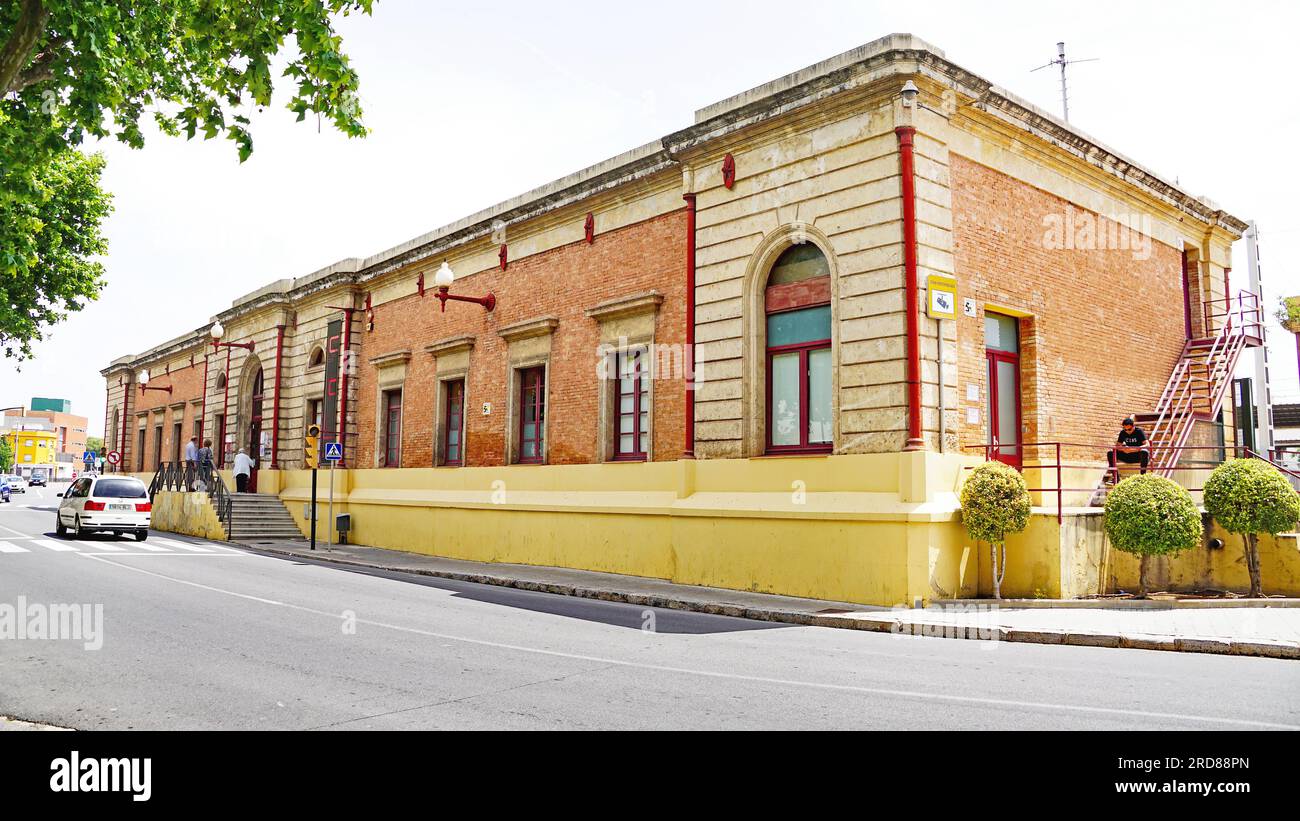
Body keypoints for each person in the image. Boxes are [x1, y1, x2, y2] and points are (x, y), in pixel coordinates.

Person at [1106, 416, 1150, 483]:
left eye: (1129, 429)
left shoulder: (1139, 431)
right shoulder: (1123, 433)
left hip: (1137, 456)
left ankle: (1142, 477)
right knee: (1110, 453)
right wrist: (1123, 449)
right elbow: (1118, 445)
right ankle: (1116, 478)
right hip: (1127, 455)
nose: (1127, 432)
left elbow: (1147, 444)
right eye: (1125, 429)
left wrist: (1134, 449)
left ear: (1133, 426)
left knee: (1144, 451)